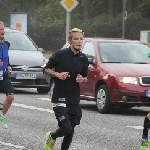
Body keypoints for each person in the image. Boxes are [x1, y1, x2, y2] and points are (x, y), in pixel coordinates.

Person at [43, 28, 88, 150]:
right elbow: (45, 69)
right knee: (66, 128)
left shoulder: (84, 58)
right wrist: (57, 74)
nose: (79, 42)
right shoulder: (60, 54)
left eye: (81, 39)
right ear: (69, 41)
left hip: (73, 98)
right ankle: (52, 135)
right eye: (76, 39)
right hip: (59, 96)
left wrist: (82, 79)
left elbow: (85, 77)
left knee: (71, 129)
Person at [0, 21, 14, 129]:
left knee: (10, 97)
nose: (2, 31)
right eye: (0, 30)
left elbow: (6, 59)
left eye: (3, 29)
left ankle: (2, 115)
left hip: (3, 75)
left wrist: (8, 66)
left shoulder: (6, 44)